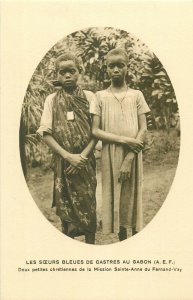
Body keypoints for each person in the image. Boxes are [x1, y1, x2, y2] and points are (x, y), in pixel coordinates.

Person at [37, 53, 97, 244]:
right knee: (66, 209)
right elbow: (45, 133)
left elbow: (96, 132)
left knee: (89, 206)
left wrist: (81, 157)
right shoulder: (51, 100)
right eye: (63, 72)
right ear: (57, 75)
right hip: (63, 164)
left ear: (79, 71)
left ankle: (90, 244)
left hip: (86, 163)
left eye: (72, 71)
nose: (68, 76)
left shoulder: (89, 97)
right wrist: (68, 156)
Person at [91, 48, 150, 241]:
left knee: (131, 197)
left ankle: (134, 238)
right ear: (106, 69)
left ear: (127, 67)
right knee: (114, 196)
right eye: (111, 66)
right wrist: (125, 140)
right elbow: (96, 131)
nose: (116, 70)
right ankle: (123, 238)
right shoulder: (99, 96)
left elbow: (143, 129)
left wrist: (130, 156)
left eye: (120, 65)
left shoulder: (137, 95)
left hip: (133, 155)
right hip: (110, 154)